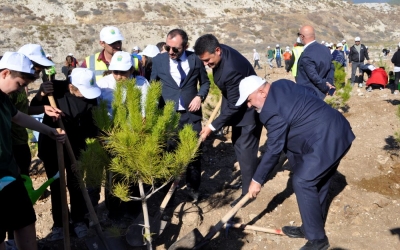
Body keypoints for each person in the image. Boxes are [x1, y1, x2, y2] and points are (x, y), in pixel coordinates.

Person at [236, 75, 355, 250]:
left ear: (261, 92)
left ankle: (318, 241)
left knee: (302, 181)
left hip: (327, 139)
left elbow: (274, 149)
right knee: (318, 182)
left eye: (249, 100)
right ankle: (311, 228)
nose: (249, 105)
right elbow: (305, 102)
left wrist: (257, 180)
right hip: (337, 130)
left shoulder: (270, 110)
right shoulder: (281, 85)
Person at [0, 52, 65, 250]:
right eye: (19, 84)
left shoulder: (3, 99)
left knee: (25, 220)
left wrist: (50, 131)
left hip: (9, 172)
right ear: (5, 73)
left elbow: (18, 116)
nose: (20, 89)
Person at [30, 68, 100, 241]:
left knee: (76, 184)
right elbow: (32, 107)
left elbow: (92, 128)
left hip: (76, 147)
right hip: (52, 145)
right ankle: (60, 225)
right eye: (81, 91)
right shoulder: (54, 89)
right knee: (57, 185)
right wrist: (40, 94)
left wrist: (85, 156)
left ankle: (78, 221)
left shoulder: (91, 97)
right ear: (71, 86)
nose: (85, 96)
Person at [194, 34, 263, 207]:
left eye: (208, 60)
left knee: (245, 149)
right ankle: (247, 179)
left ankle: (248, 192)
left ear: (217, 50)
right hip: (237, 107)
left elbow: (234, 106)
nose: (205, 65)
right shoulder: (220, 52)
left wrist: (211, 126)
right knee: (238, 143)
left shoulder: (231, 69)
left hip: (248, 112)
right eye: (202, 61)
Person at [151, 29, 210, 201]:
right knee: (168, 154)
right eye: (167, 47)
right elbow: (153, 87)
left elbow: (205, 83)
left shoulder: (195, 60)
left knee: (194, 153)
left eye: (175, 49)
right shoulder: (159, 61)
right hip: (168, 117)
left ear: (185, 46)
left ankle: (193, 189)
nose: (170, 52)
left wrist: (200, 96)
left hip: (191, 116)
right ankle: (167, 194)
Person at [296, 25, 335, 100]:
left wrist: (326, 88)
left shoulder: (307, 54)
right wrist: (329, 83)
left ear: (302, 36)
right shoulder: (325, 49)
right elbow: (331, 67)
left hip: (308, 95)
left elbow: (314, 76)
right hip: (321, 94)